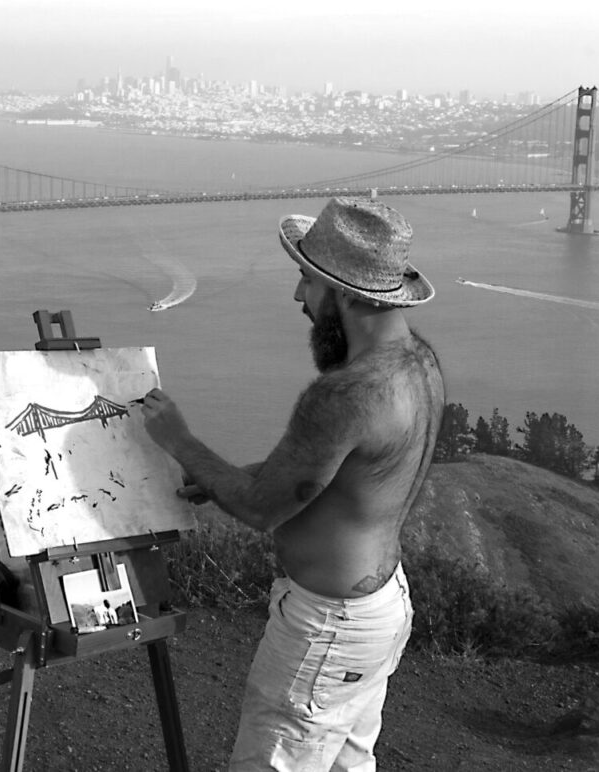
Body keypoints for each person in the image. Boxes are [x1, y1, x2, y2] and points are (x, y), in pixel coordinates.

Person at [139, 196, 445, 772]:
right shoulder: (417, 365)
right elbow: (346, 472)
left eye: (306, 280)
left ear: (346, 291)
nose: (298, 296)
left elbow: (261, 510)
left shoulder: (346, 394)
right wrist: (234, 474)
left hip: (328, 629)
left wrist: (178, 440)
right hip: (380, 607)